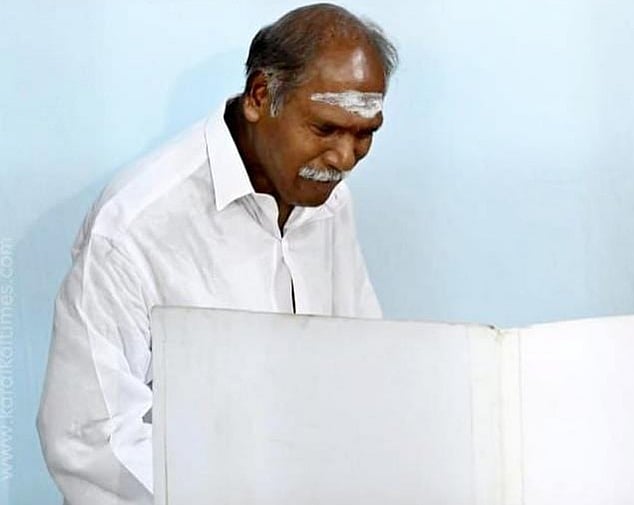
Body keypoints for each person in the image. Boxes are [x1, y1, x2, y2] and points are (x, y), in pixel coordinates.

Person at [36, 4, 398, 504]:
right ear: (259, 96)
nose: (344, 158)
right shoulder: (135, 225)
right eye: (324, 130)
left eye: (365, 134)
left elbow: (360, 360)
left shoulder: (329, 201)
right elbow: (90, 441)